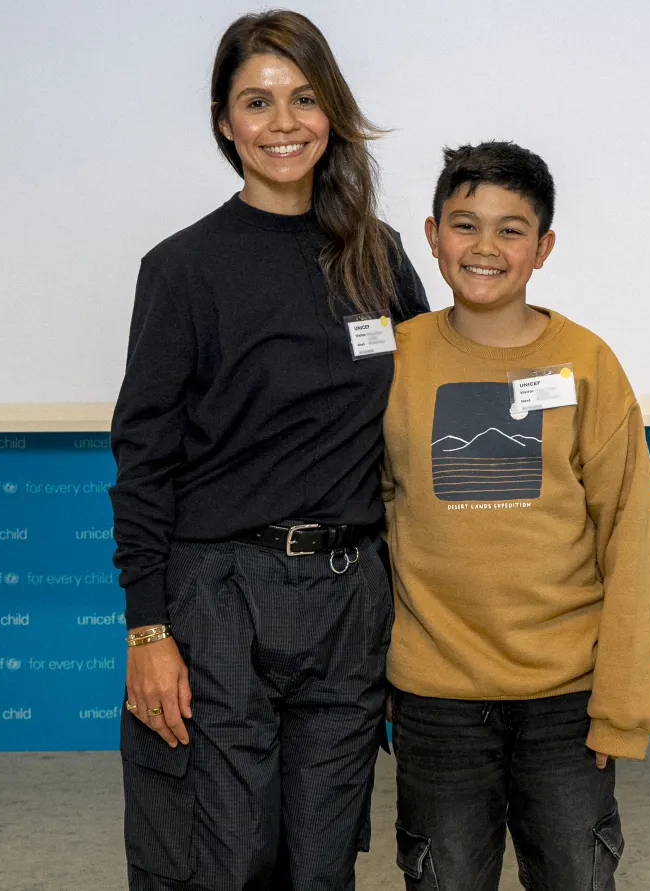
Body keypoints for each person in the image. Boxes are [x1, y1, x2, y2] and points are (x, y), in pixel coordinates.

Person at [107, 10, 428, 890]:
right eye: (257, 100)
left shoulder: (379, 258)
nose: (283, 122)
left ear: (333, 112)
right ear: (225, 121)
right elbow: (144, 460)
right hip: (219, 596)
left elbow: (413, 437)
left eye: (304, 97)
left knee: (322, 868)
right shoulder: (183, 269)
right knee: (224, 861)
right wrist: (148, 627)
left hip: (350, 596)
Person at [382, 141, 650, 890]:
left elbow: (633, 537)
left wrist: (621, 708)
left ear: (542, 248)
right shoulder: (392, 359)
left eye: (511, 229)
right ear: (431, 235)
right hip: (435, 702)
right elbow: (369, 519)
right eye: (465, 224)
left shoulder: (587, 361)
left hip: (567, 704)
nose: (485, 246)